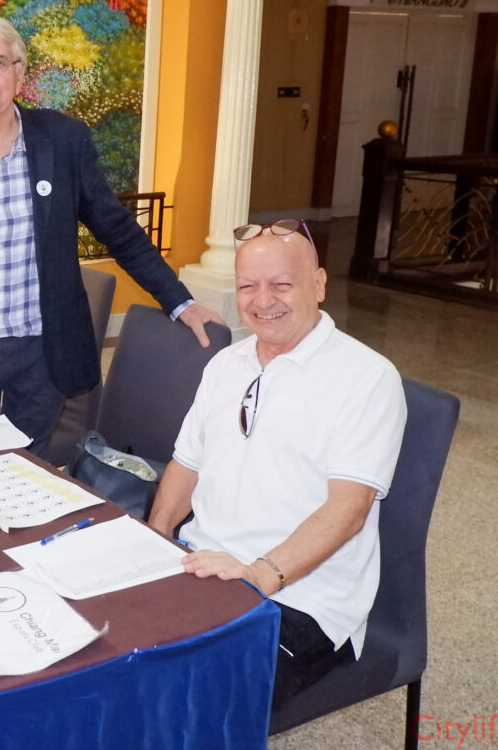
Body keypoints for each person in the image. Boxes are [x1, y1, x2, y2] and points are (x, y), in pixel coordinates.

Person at [0, 13, 221, 455]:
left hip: (42, 350)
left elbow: (118, 230)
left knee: (29, 463)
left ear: (19, 74)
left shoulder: (64, 140)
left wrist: (179, 301)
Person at [148, 220, 405, 709]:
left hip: (298, 598)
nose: (263, 301)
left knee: (178, 696)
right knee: (97, 650)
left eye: (282, 284)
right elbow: (187, 463)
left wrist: (256, 575)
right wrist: (155, 541)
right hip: (203, 565)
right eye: (248, 286)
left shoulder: (367, 378)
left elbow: (348, 512)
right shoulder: (227, 363)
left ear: (319, 284)